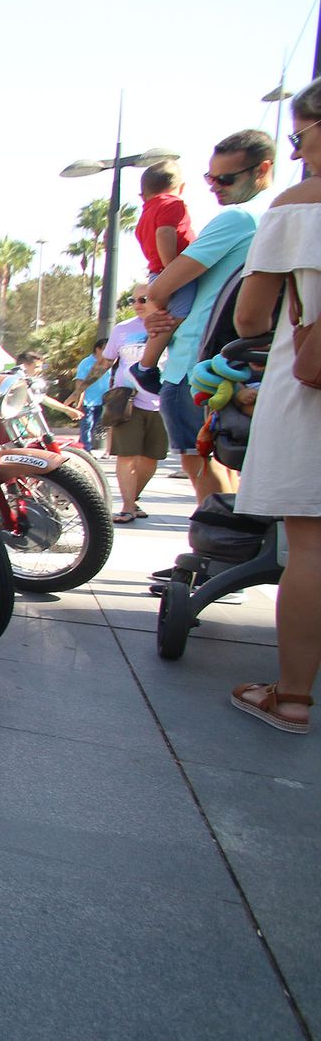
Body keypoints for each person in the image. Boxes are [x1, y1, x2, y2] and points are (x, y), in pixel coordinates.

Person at [223, 82, 321, 735]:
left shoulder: (299, 205)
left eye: (299, 136)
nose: (297, 151)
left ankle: (291, 698)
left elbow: (251, 317)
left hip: (309, 390)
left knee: (311, 545)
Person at [140, 130, 275, 506]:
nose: (214, 186)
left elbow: (161, 288)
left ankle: (216, 539)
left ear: (262, 170)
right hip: (235, 359)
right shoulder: (278, 215)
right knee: (228, 463)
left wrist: (157, 310)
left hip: (195, 364)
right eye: (210, 177)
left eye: (225, 178)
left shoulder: (238, 218)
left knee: (201, 464)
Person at [72, 290, 168, 524]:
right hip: (127, 401)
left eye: (143, 299)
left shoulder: (171, 323)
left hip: (163, 401)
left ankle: (132, 499)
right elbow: (105, 362)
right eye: (132, 300)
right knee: (127, 455)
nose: (137, 304)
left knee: (151, 458)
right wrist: (79, 389)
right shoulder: (122, 329)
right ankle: (127, 506)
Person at [131, 159, 199, 341]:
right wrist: (173, 270)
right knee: (174, 319)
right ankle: (150, 356)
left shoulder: (146, 214)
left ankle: (149, 354)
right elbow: (164, 233)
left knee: (162, 319)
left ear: (142, 195)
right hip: (172, 273)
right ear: (181, 187)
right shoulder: (172, 204)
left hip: (156, 273)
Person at [69, 341, 111, 452]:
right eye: (105, 348)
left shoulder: (110, 362)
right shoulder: (86, 363)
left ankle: (81, 448)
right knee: (87, 426)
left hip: (103, 400)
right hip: (88, 401)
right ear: (98, 349)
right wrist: (78, 402)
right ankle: (86, 450)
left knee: (93, 427)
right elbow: (80, 382)